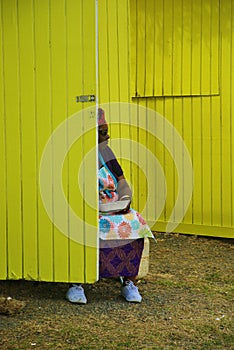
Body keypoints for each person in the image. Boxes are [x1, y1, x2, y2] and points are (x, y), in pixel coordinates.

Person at [66, 108, 154, 303]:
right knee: (84, 228)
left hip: (113, 206)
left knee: (136, 222)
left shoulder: (106, 152)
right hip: (87, 207)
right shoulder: (75, 155)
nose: (108, 136)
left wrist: (126, 197)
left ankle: (129, 282)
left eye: (107, 131)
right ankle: (77, 282)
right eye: (103, 132)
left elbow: (121, 181)